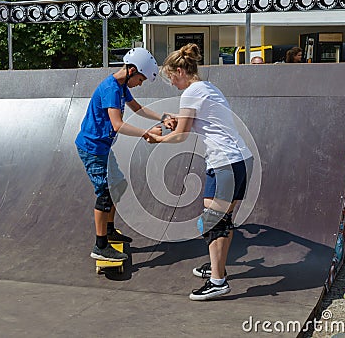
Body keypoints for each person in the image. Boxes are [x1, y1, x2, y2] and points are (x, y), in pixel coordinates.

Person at [148, 43, 253, 301]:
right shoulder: (207, 88)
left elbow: (181, 135)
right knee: (221, 221)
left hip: (224, 161)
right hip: (238, 159)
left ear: (181, 70)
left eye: (171, 77)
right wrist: (175, 117)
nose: (172, 83)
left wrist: (156, 139)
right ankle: (217, 267)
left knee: (212, 223)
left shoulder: (191, 93)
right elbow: (198, 121)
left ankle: (218, 282)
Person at [75, 47, 173, 262]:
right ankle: (100, 246)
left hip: (103, 148)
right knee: (105, 192)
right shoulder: (111, 88)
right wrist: (146, 133)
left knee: (118, 185)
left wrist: (162, 116)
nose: (140, 83)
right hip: (93, 148)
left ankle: (109, 231)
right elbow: (117, 125)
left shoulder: (120, 86)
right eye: (141, 79)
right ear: (132, 70)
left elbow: (138, 109)